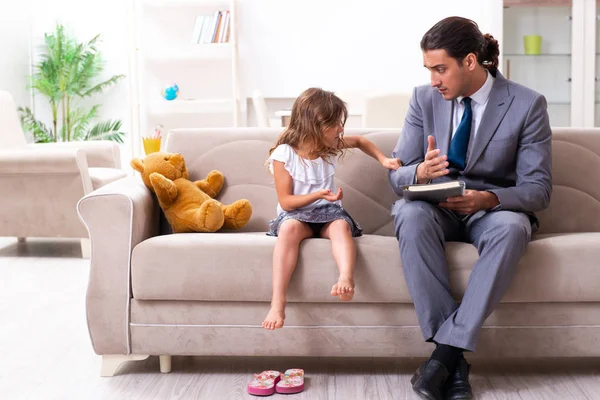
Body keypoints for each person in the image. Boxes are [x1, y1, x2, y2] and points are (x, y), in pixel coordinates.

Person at [388, 17, 552, 400]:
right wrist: (420, 171)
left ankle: (444, 356)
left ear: (471, 62)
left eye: (441, 69)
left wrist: (488, 199)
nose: (433, 80)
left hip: (491, 211)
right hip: (436, 208)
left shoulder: (527, 104)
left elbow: (538, 189)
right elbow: (397, 176)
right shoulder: (422, 99)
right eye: (429, 70)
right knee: (409, 215)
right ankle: (454, 364)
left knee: (512, 228)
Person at [262, 87, 402, 330]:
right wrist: (318, 195)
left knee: (340, 227)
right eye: (335, 123)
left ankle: (346, 277)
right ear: (315, 125)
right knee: (289, 231)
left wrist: (384, 160)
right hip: (296, 214)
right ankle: (278, 302)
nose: (340, 129)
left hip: (328, 214)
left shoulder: (329, 147)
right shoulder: (284, 154)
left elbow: (360, 141)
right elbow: (286, 202)